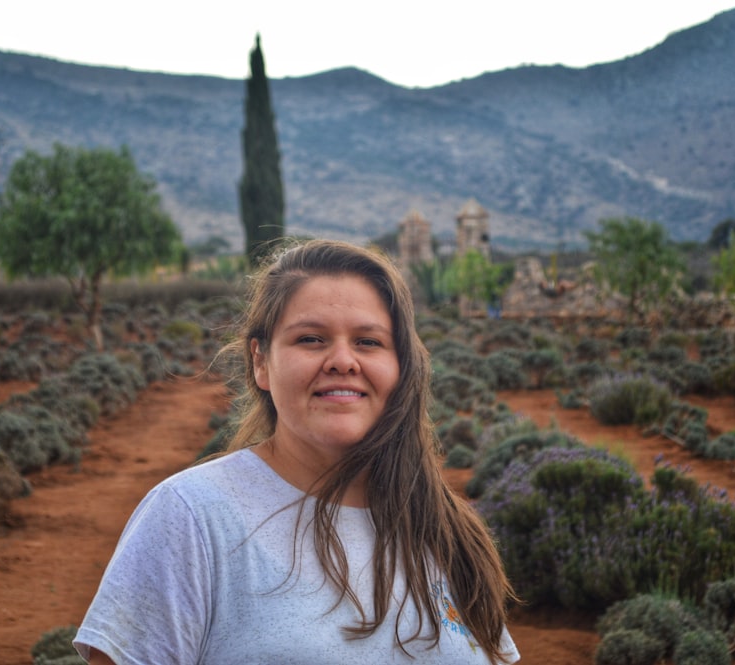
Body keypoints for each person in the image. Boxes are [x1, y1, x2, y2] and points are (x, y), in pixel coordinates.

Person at [74, 239, 519, 664]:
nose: (343, 360)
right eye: (311, 339)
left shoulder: (444, 526)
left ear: (401, 366)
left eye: (369, 342)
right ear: (261, 362)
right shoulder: (192, 517)